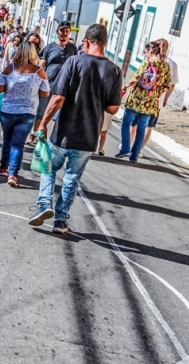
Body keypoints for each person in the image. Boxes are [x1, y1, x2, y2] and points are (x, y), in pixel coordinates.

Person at [28, 23, 122, 235]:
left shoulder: (74, 62)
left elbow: (58, 98)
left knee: (49, 168)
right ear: (105, 43)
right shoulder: (114, 70)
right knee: (72, 178)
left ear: (87, 42)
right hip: (89, 137)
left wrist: (43, 123)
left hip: (64, 132)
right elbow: (113, 109)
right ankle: (60, 221)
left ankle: (44, 205)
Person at [0, 42, 50, 187]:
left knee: (7, 141)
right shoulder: (39, 71)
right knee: (18, 144)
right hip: (27, 112)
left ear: (19, 52)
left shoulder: (10, 68)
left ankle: (3, 167)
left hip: (7, 111)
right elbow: (45, 93)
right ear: (33, 53)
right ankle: (13, 175)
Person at [116, 41, 171, 162]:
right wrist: (155, 94)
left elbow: (136, 78)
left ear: (150, 51)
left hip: (136, 100)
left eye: (145, 52)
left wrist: (125, 86)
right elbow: (167, 85)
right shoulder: (166, 66)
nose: (145, 54)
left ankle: (125, 149)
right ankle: (134, 156)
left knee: (126, 123)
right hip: (150, 103)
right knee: (141, 129)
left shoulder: (147, 63)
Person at [34, 21, 78, 136]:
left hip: (65, 88)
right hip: (48, 86)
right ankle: (33, 134)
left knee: (59, 117)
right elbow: (41, 64)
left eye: (67, 31)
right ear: (57, 32)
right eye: (62, 31)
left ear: (70, 33)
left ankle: (52, 140)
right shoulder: (49, 47)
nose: (64, 33)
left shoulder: (73, 49)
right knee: (41, 112)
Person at [139, 38, 179, 154]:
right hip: (158, 101)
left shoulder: (150, 59)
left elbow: (140, 76)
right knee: (149, 126)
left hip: (144, 97)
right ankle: (139, 149)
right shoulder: (172, 64)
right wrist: (166, 99)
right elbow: (171, 85)